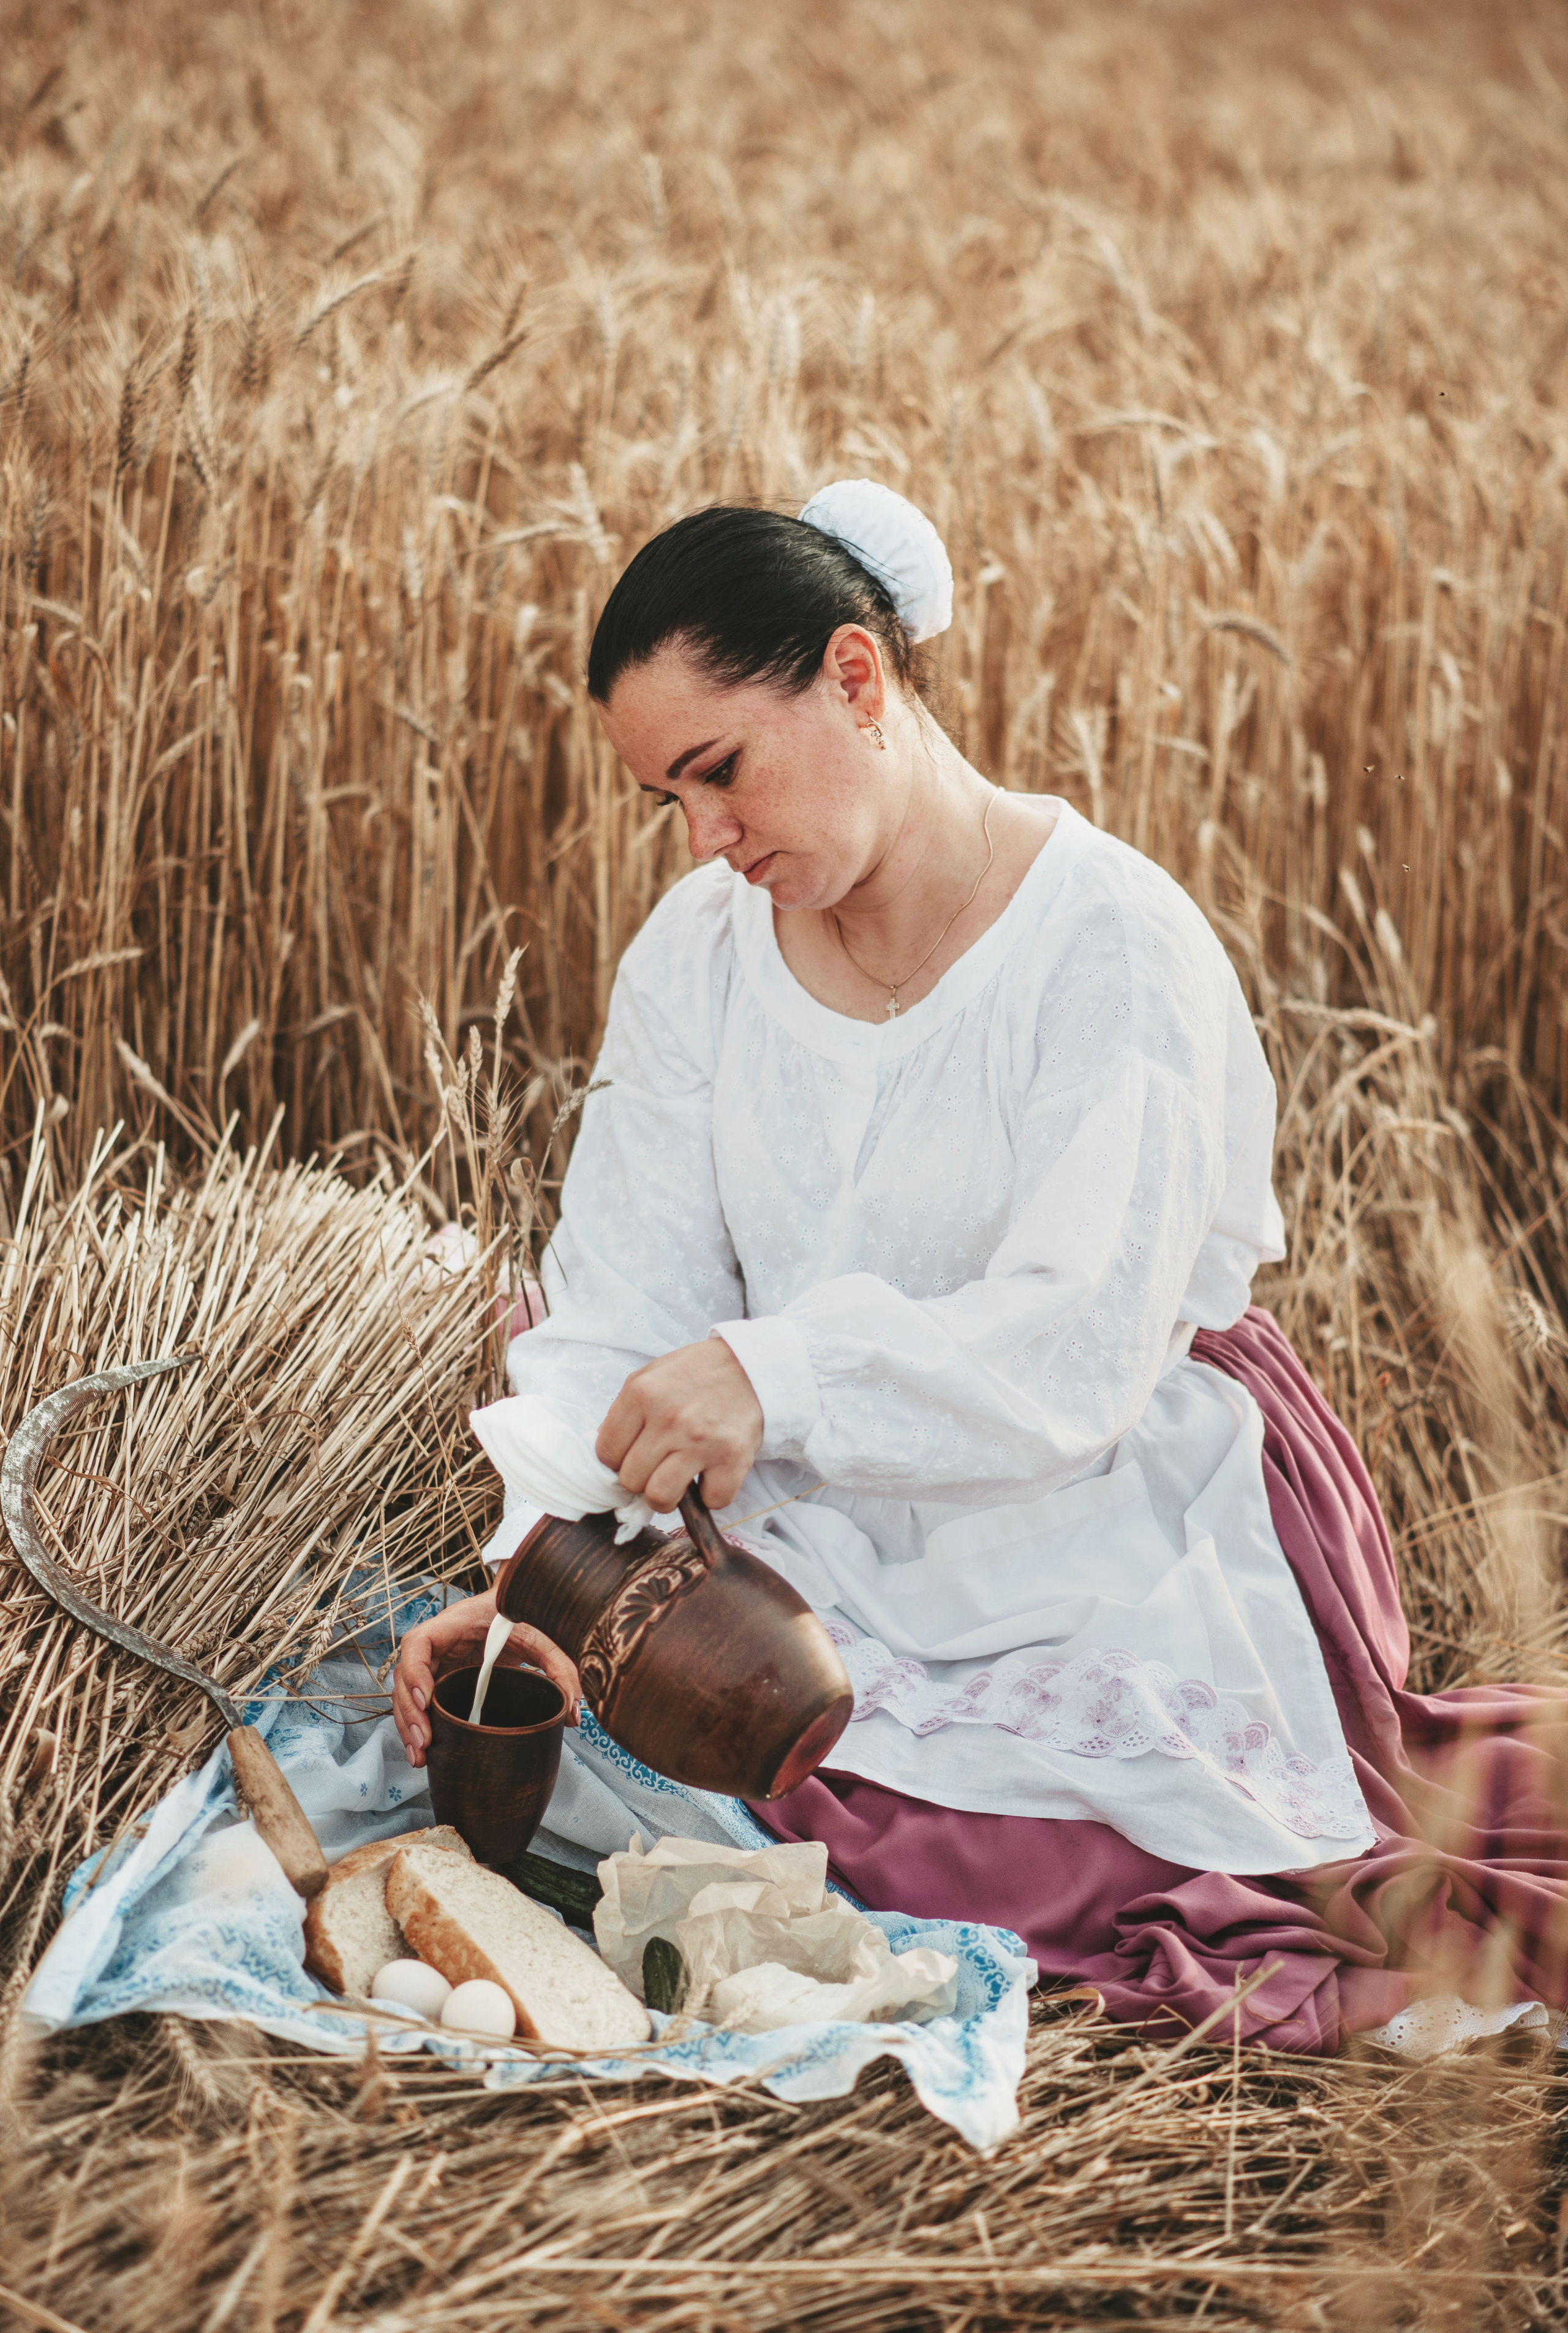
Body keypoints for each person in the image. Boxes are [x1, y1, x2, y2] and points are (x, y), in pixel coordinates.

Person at [392, 482, 1568, 2055]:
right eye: (668, 799)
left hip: (1092, 1479)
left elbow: (1074, 1343)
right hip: (812, 1477)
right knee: (584, 1762)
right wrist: (530, 1578)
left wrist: (782, 1372)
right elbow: (623, 1300)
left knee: (967, 1851)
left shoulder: (1107, 947)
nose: (705, 837)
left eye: (721, 772)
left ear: (858, 680)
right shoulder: (696, 950)